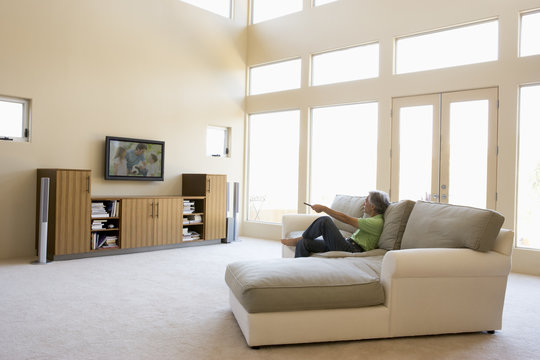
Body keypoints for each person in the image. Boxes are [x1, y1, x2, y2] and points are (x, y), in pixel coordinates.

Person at [281, 190, 390, 258]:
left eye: (366, 201)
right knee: (304, 243)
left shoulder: (376, 222)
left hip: (351, 249)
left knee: (325, 221)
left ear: (373, 206)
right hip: (347, 244)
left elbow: (346, 219)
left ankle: (297, 240)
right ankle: (299, 271)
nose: (364, 203)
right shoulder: (372, 219)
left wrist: (324, 208)